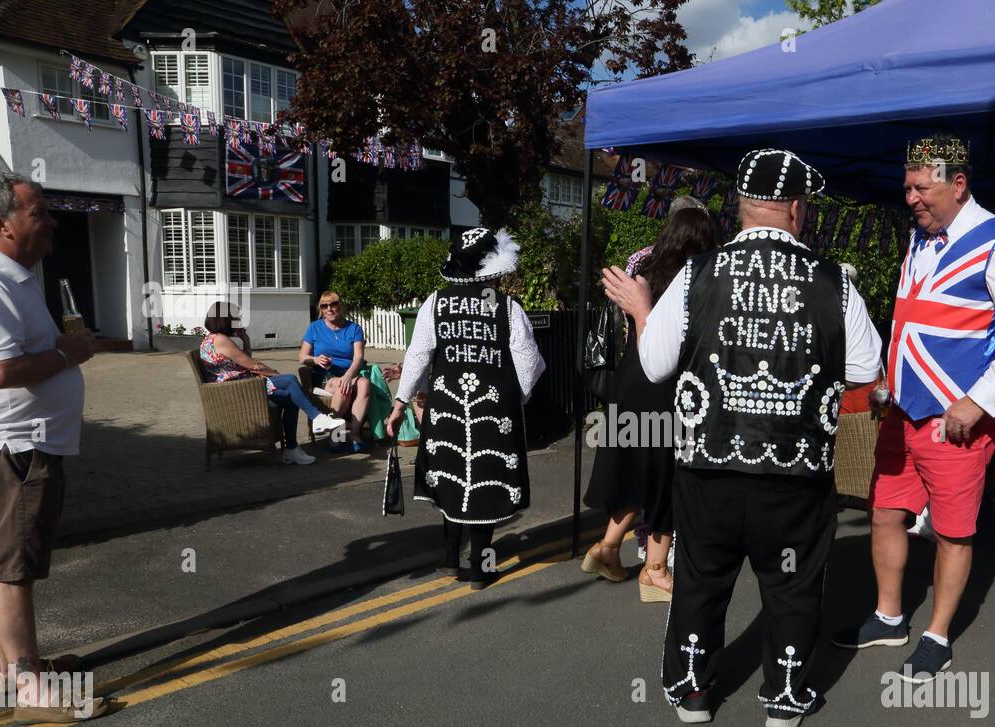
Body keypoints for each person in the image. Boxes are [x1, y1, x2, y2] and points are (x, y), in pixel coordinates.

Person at [603, 148, 883, 727]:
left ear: (740, 207)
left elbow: (655, 366)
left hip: (709, 467)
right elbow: (864, 367)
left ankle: (693, 691)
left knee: (704, 578)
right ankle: (783, 696)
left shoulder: (697, 275)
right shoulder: (834, 281)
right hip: (797, 470)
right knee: (792, 583)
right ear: (798, 210)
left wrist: (644, 312)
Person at [842, 133, 995, 682]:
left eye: (921, 188)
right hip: (902, 411)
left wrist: (977, 402)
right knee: (886, 512)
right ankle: (890, 616)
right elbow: (911, 321)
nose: (911, 198)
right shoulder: (922, 237)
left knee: (953, 531)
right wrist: (888, 377)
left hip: (954, 422)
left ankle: (937, 636)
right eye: (907, 187)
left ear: (957, 184)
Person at [0, 171, 107, 722]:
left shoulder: (18, 276)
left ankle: (14, 672)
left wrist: (60, 347)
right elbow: (3, 370)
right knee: (14, 566)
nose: (53, 221)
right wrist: (70, 355)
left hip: (28, 443)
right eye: (39, 212)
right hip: (19, 446)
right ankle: (28, 689)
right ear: (0, 223)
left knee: (5, 564)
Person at [386, 227, 545, 590]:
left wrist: (401, 401)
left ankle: (449, 557)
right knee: (486, 487)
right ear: (495, 267)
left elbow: (418, 356)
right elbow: (529, 363)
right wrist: (516, 397)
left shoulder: (436, 302)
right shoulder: (507, 307)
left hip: (448, 409)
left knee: (452, 482)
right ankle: (479, 568)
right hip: (494, 412)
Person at [581, 205, 718, 602]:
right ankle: (655, 569)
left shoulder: (642, 266)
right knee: (666, 476)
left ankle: (607, 547)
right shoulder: (697, 280)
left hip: (630, 379)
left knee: (633, 465)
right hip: (664, 383)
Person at [198, 303, 345, 464]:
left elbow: (244, 361)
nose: (239, 322)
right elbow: (253, 365)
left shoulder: (211, 338)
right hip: (240, 391)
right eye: (236, 318)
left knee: (291, 399)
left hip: (242, 387)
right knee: (289, 380)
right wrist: (275, 374)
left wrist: (246, 341)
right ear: (226, 319)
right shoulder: (221, 339)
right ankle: (317, 417)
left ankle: (292, 449)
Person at [299, 291, 371, 453]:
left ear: (341, 306)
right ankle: (335, 435)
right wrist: (316, 359)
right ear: (321, 310)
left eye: (333, 304)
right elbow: (302, 357)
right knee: (341, 385)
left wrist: (348, 375)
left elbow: (358, 357)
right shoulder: (314, 328)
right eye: (324, 306)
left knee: (365, 384)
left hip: (350, 373)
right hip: (325, 376)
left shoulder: (354, 328)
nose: (329, 309)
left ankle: (354, 434)